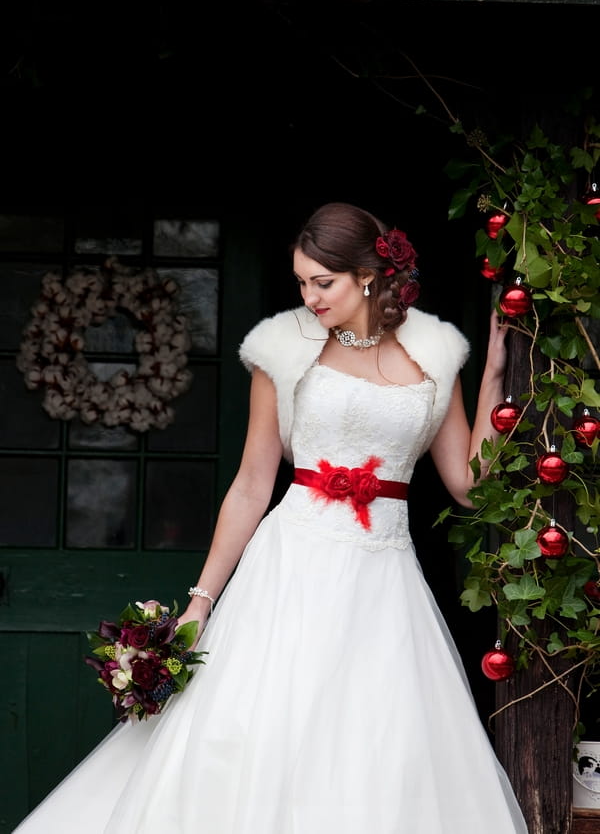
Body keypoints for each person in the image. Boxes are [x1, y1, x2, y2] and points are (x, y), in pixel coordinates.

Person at [14, 202, 529, 833]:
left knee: (378, 746)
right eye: (301, 282)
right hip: (289, 574)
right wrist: (201, 601)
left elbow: (471, 486)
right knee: (253, 738)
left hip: (384, 587)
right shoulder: (285, 351)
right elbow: (253, 483)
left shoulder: (434, 355)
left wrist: (492, 383)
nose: (309, 297)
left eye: (323, 282)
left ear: (367, 275)